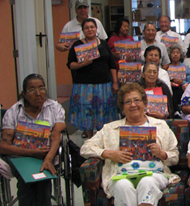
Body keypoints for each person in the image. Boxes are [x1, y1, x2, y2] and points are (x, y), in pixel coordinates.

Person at [80, 83, 180, 206]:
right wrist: (108, 154)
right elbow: (85, 148)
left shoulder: (160, 126)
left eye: (137, 100)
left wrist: (161, 154)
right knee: (123, 185)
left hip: (154, 174)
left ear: (144, 103)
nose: (133, 105)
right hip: (121, 176)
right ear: (122, 108)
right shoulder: (110, 128)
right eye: (127, 102)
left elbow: (175, 157)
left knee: (147, 182)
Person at [0, 74, 66, 206]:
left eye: (41, 88)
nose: (38, 93)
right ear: (24, 94)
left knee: (41, 174)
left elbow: (55, 136)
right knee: (28, 176)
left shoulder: (55, 108)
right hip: (18, 156)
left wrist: (48, 159)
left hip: (46, 154)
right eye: (32, 89)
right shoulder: (13, 112)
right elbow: (3, 146)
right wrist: (31, 153)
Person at [67, 18, 119, 138]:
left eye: (92, 27)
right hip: (84, 86)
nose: (90, 29)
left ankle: (102, 139)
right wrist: (83, 64)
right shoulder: (77, 45)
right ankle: (90, 139)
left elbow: (112, 64)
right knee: (87, 112)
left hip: (104, 85)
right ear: (83, 30)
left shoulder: (103, 44)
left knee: (103, 111)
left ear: (96, 29)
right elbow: (70, 65)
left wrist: (115, 82)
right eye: (87, 27)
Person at [168, 45, 190, 116]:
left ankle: (179, 111)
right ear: (170, 55)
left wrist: (182, 82)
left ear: (180, 55)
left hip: (182, 89)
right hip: (171, 90)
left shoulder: (184, 67)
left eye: (177, 52)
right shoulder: (167, 67)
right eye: (173, 53)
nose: (175, 54)